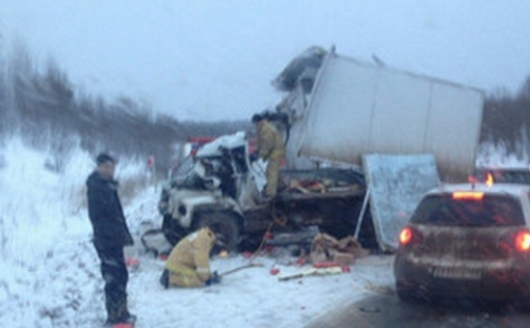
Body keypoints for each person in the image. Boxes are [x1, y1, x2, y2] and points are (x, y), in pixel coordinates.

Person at [86, 153, 136, 325]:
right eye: (107, 166)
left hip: (116, 239)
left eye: (112, 167)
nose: (110, 170)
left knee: (122, 276)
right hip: (106, 241)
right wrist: (112, 235)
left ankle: (122, 313)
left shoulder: (109, 186)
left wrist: (125, 236)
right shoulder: (97, 187)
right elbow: (98, 217)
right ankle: (114, 318)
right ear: (99, 167)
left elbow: (118, 215)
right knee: (113, 278)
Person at [250, 114, 286, 198]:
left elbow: (267, 144)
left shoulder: (266, 129)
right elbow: (260, 142)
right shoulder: (262, 128)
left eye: (255, 123)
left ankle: (270, 193)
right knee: (274, 170)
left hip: (276, 151)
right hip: (273, 151)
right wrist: (256, 151)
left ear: (257, 122)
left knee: (271, 172)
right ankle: (280, 186)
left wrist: (261, 155)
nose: (255, 125)